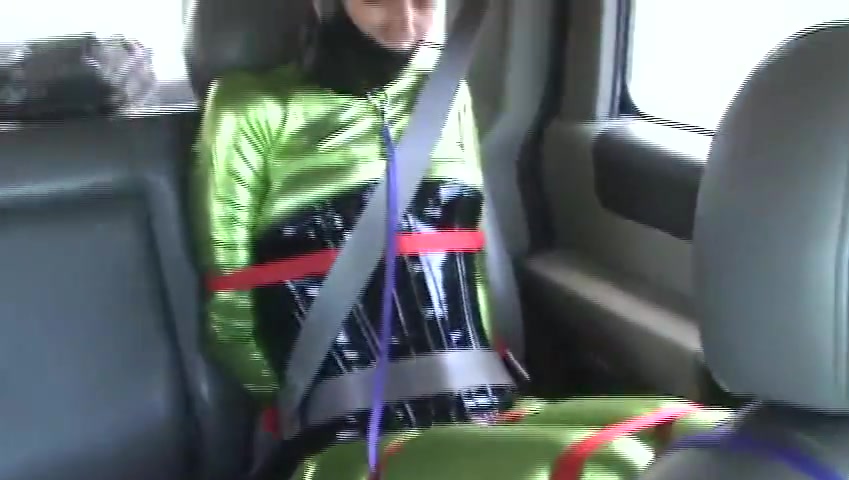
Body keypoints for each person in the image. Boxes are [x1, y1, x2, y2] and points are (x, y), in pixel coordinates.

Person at [193, 0, 731, 477]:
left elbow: (469, 266)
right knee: (613, 465)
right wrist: (297, 404)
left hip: (481, 408)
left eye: (426, 2)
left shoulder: (444, 93)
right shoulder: (249, 109)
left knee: (715, 437)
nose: (405, 22)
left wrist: (491, 388)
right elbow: (231, 318)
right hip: (348, 437)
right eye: (378, 0)